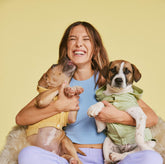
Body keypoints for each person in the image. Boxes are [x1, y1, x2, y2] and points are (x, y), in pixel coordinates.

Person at [16, 21, 163, 164]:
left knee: (152, 159)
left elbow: (151, 118)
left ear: (95, 48)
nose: (79, 44)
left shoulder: (109, 83)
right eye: (72, 39)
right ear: (66, 47)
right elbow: (21, 118)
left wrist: (117, 116)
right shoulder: (60, 85)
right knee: (28, 154)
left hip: (110, 156)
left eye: (86, 39)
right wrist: (58, 106)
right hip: (72, 157)